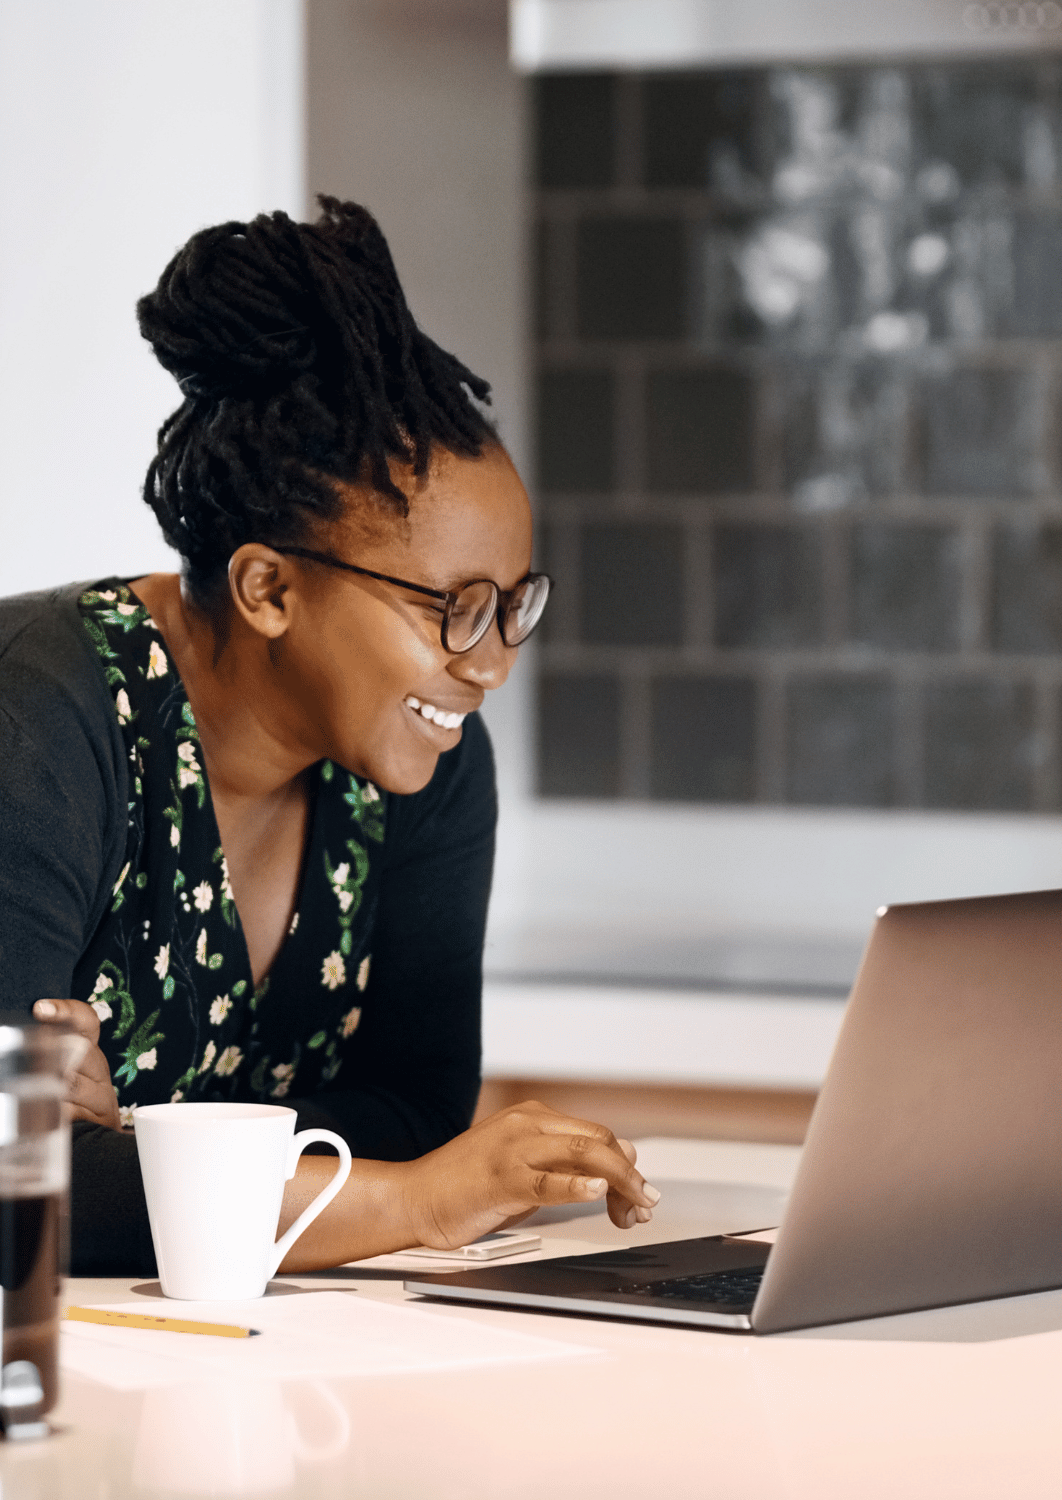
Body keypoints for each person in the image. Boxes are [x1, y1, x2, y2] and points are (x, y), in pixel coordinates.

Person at [0, 198, 658, 1275]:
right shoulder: (40, 722)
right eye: (452, 608)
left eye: (513, 605)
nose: (490, 664)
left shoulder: (424, 766)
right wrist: (413, 1203)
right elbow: (12, 1186)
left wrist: (129, 1144)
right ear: (268, 588)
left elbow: (416, 1107)